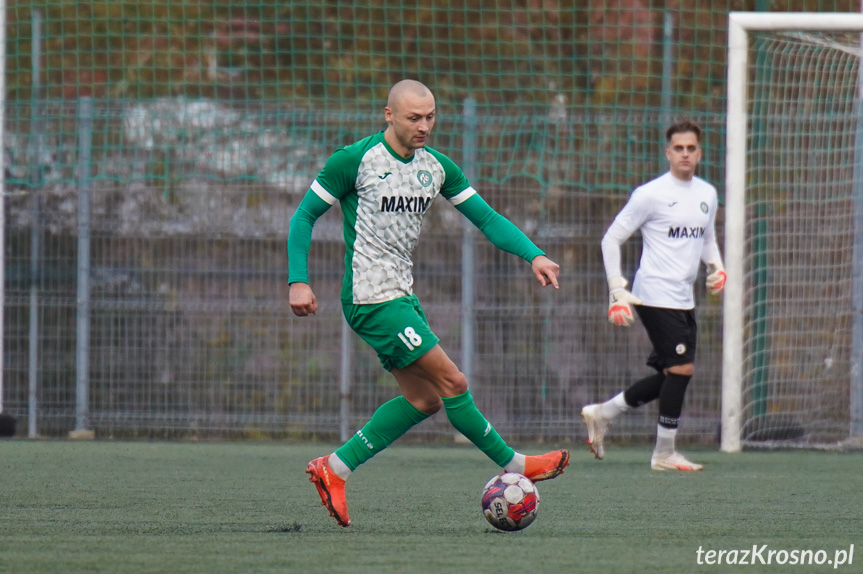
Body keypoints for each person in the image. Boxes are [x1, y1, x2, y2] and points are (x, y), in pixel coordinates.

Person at [288, 79, 570, 527]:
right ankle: (515, 463)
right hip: (370, 298)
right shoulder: (354, 160)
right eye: (414, 117)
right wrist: (298, 281)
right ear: (389, 115)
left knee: (424, 400)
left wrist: (532, 253)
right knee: (453, 380)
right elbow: (304, 215)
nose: (424, 126)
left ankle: (334, 469)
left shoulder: (437, 167)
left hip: (402, 296)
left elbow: (487, 218)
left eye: (431, 116)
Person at [580, 120, 726, 471]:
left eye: (691, 148)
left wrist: (716, 267)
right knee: (682, 368)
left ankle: (603, 413)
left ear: (699, 152)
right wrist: (618, 291)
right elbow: (611, 238)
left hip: (684, 298)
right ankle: (663, 452)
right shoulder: (650, 194)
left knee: (670, 376)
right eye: (679, 148)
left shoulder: (707, 194)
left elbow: (706, 238)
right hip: (653, 294)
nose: (685, 154)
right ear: (668, 153)